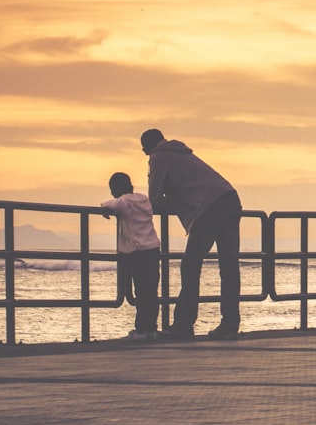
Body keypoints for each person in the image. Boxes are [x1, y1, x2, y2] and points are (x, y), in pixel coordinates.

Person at [141, 128, 242, 340]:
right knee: (229, 267)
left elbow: (154, 200)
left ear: (147, 148)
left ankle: (183, 325)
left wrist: (174, 201)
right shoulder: (183, 153)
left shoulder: (159, 157)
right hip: (230, 198)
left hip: (209, 208)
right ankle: (230, 323)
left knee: (190, 265)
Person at [102, 172, 161, 342]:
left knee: (141, 292)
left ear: (115, 190)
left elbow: (113, 204)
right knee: (151, 292)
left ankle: (141, 330)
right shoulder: (144, 200)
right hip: (152, 248)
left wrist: (104, 207)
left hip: (136, 251)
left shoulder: (125, 202)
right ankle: (152, 329)